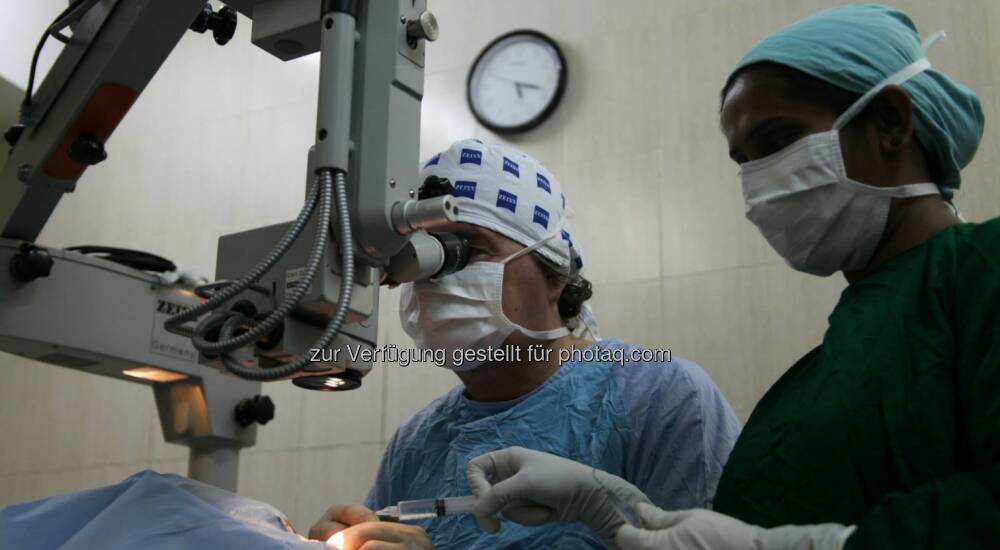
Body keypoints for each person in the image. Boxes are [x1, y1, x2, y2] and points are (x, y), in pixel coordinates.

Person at [465, 4, 1000, 550]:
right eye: (745, 160)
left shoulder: (983, 272)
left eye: (777, 141)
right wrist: (616, 511)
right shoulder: (819, 375)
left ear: (890, 122)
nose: (760, 182)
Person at [310, 139, 740, 549]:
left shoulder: (662, 399)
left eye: (468, 251)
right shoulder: (414, 444)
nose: (435, 278)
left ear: (555, 275)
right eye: (420, 255)